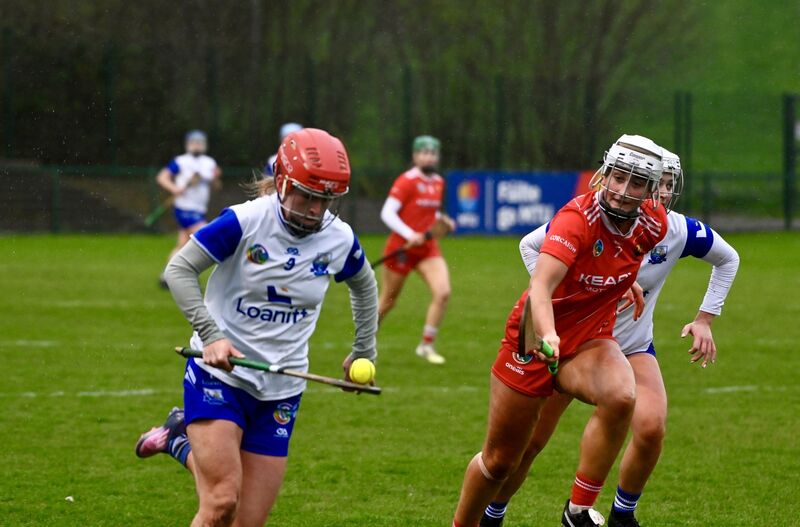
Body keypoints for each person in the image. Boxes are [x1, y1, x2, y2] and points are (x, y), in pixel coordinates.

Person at [480, 149, 740, 527]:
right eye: (656, 183)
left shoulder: (675, 229)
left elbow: (728, 258)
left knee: (651, 426)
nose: (662, 193)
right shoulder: (588, 217)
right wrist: (573, 292)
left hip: (630, 345)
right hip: (569, 342)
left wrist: (705, 319)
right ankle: (492, 514)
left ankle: (613, 514)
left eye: (667, 184)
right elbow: (530, 246)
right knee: (528, 445)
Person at [135, 128, 379, 527]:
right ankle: (184, 434)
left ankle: (178, 438)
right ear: (281, 182)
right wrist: (211, 335)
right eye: (307, 196)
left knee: (245, 521)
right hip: (219, 377)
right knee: (220, 503)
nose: (316, 210)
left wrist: (364, 351)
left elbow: (365, 287)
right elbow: (178, 269)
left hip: (282, 390)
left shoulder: (338, 238)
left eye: (326, 200)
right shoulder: (244, 221)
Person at [453, 135, 669, 527]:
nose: (622, 191)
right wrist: (548, 334)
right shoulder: (575, 220)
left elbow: (625, 256)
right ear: (604, 174)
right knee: (500, 461)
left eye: (636, 183)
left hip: (588, 339)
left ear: (651, 191)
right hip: (534, 337)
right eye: (617, 177)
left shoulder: (655, 223)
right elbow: (541, 286)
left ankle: (576, 511)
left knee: (621, 395)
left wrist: (625, 282)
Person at [378, 135, 455, 364]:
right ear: (415, 156)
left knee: (443, 293)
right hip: (401, 249)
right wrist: (410, 234)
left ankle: (426, 345)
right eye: (424, 152)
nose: (429, 156)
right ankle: (363, 342)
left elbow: (430, 214)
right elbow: (387, 213)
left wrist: (444, 220)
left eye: (433, 153)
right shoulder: (406, 181)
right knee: (388, 301)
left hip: (428, 249)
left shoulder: (439, 182)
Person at [156, 130, 222, 287]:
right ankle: (189, 274)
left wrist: (215, 178)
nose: (196, 145)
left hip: (199, 209)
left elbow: (217, 187)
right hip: (184, 209)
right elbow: (162, 177)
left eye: (199, 142)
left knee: (183, 244)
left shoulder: (209, 163)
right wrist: (174, 188)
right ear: (188, 144)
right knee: (206, 235)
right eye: (193, 142)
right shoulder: (180, 161)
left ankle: (166, 277)